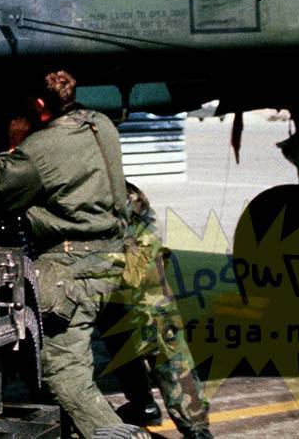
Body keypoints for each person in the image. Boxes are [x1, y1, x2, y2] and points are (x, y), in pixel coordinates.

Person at [0, 70, 141, 438]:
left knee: (65, 374)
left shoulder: (38, 149)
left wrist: (13, 145)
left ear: (39, 104)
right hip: (112, 257)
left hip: (72, 269)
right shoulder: (101, 125)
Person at [110, 183, 213, 439]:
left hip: (115, 221)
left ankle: (195, 427)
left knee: (153, 325)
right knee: (119, 320)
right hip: (112, 217)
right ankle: (145, 405)